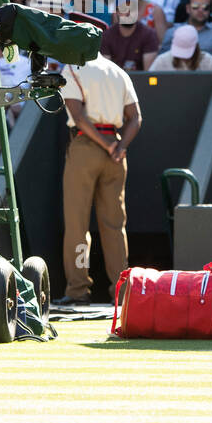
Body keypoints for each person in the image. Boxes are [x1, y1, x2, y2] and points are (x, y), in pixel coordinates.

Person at [57, 50, 141, 304]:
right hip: (116, 152)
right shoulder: (119, 72)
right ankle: (122, 292)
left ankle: (78, 290)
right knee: (115, 226)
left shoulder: (72, 68)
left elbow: (79, 117)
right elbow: (135, 118)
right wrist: (120, 146)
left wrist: (105, 145)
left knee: (77, 226)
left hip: (86, 147)